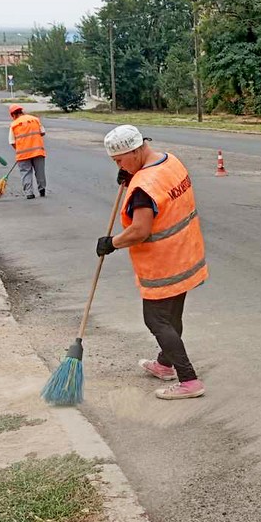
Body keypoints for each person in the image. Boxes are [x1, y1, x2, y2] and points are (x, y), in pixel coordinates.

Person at [96, 125, 208, 400]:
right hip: (186, 252)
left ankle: (189, 381)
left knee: (156, 320)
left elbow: (140, 231)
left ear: (134, 151)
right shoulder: (170, 162)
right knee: (171, 317)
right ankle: (164, 364)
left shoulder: (143, 188)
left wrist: (112, 243)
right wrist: (130, 172)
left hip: (163, 263)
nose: (119, 165)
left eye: (119, 160)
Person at [7, 104, 46, 199]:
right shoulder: (35, 119)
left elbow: (11, 141)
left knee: (25, 172)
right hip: (38, 151)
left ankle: (29, 193)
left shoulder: (14, 125)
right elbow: (43, 132)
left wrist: (19, 149)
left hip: (23, 153)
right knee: (39, 171)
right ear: (22, 111)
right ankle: (42, 189)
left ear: (13, 114)